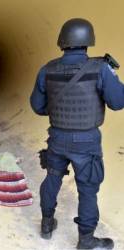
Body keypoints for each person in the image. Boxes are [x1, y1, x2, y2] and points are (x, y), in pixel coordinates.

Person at [30, 18, 124, 249]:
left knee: (52, 176)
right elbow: (118, 102)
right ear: (88, 40)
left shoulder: (47, 69)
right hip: (87, 141)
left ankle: (47, 223)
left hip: (57, 137)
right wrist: (113, 76)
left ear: (62, 41)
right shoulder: (101, 68)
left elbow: (38, 106)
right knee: (88, 189)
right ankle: (86, 240)